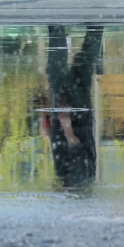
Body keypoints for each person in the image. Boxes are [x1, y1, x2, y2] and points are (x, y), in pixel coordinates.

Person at [38, 25, 102, 188]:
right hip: (72, 118)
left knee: (83, 67)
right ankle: (57, 29)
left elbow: (69, 150)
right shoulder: (77, 180)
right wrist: (66, 126)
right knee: (58, 69)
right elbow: (76, 146)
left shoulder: (83, 178)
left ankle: (95, 30)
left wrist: (48, 127)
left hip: (75, 117)